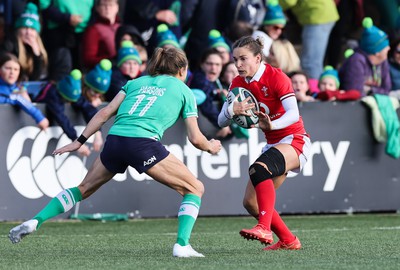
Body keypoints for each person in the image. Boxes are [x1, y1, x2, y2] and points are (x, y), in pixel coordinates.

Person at [8, 46, 222, 258]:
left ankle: (36, 220)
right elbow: (195, 138)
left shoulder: (134, 83)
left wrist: (79, 141)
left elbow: (105, 113)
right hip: (143, 143)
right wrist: (212, 146)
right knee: (195, 188)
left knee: (83, 188)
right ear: (182, 70)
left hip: (115, 140)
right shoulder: (184, 90)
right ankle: (182, 245)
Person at [218, 36, 311, 250]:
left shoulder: (277, 77)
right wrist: (233, 111)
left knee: (258, 170)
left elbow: (293, 114)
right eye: (235, 59)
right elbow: (220, 120)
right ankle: (288, 240)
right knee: (251, 203)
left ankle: (264, 228)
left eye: (243, 59)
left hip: (294, 140)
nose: (238, 65)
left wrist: (272, 126)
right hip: (274, 144)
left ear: (258, 58)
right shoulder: (237, 83)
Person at [34, 69, 103, 156]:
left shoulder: (72, 94)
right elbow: (62, 119)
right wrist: (76, 141)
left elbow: (87, 108)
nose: (69, 103)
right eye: (68, 101)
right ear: (64, 96)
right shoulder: (53, 94)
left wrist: (97, 132)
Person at [339, 17, 391, 97]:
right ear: (376, 52)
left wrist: (370, 90)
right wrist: (376, 92)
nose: (389, 48)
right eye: (385, 46)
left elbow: (387, 90)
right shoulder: (356, 61)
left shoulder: (383, 61)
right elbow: (355, 93)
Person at [189, 47, 232, 139]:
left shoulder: (217, 82)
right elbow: (206, 103)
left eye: (217, 64)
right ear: (202, 65)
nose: (213, 68)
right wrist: (222, 123)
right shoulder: (199, 79)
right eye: (209, 64)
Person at [0, 52, 49, 130]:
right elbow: (15, 98)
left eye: (16, 69)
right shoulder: (16, 95)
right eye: (8, 68)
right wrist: (39, 117)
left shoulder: (19, 89)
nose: (12, 72)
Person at [1, 2, 49, 81]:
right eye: (25, 28)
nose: (28, 33)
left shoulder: (41, 52)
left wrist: (37, 56)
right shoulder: (9, 46)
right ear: (18, 30)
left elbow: (36, 80)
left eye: (32, 29)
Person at [81, 0, 120, 70]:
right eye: (104, 5)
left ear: (117, 7)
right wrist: (111, 60)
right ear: (97, 8)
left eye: (111, 5)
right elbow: (88, 59)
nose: (107, 8)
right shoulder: (93, 30)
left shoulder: (122, 27)